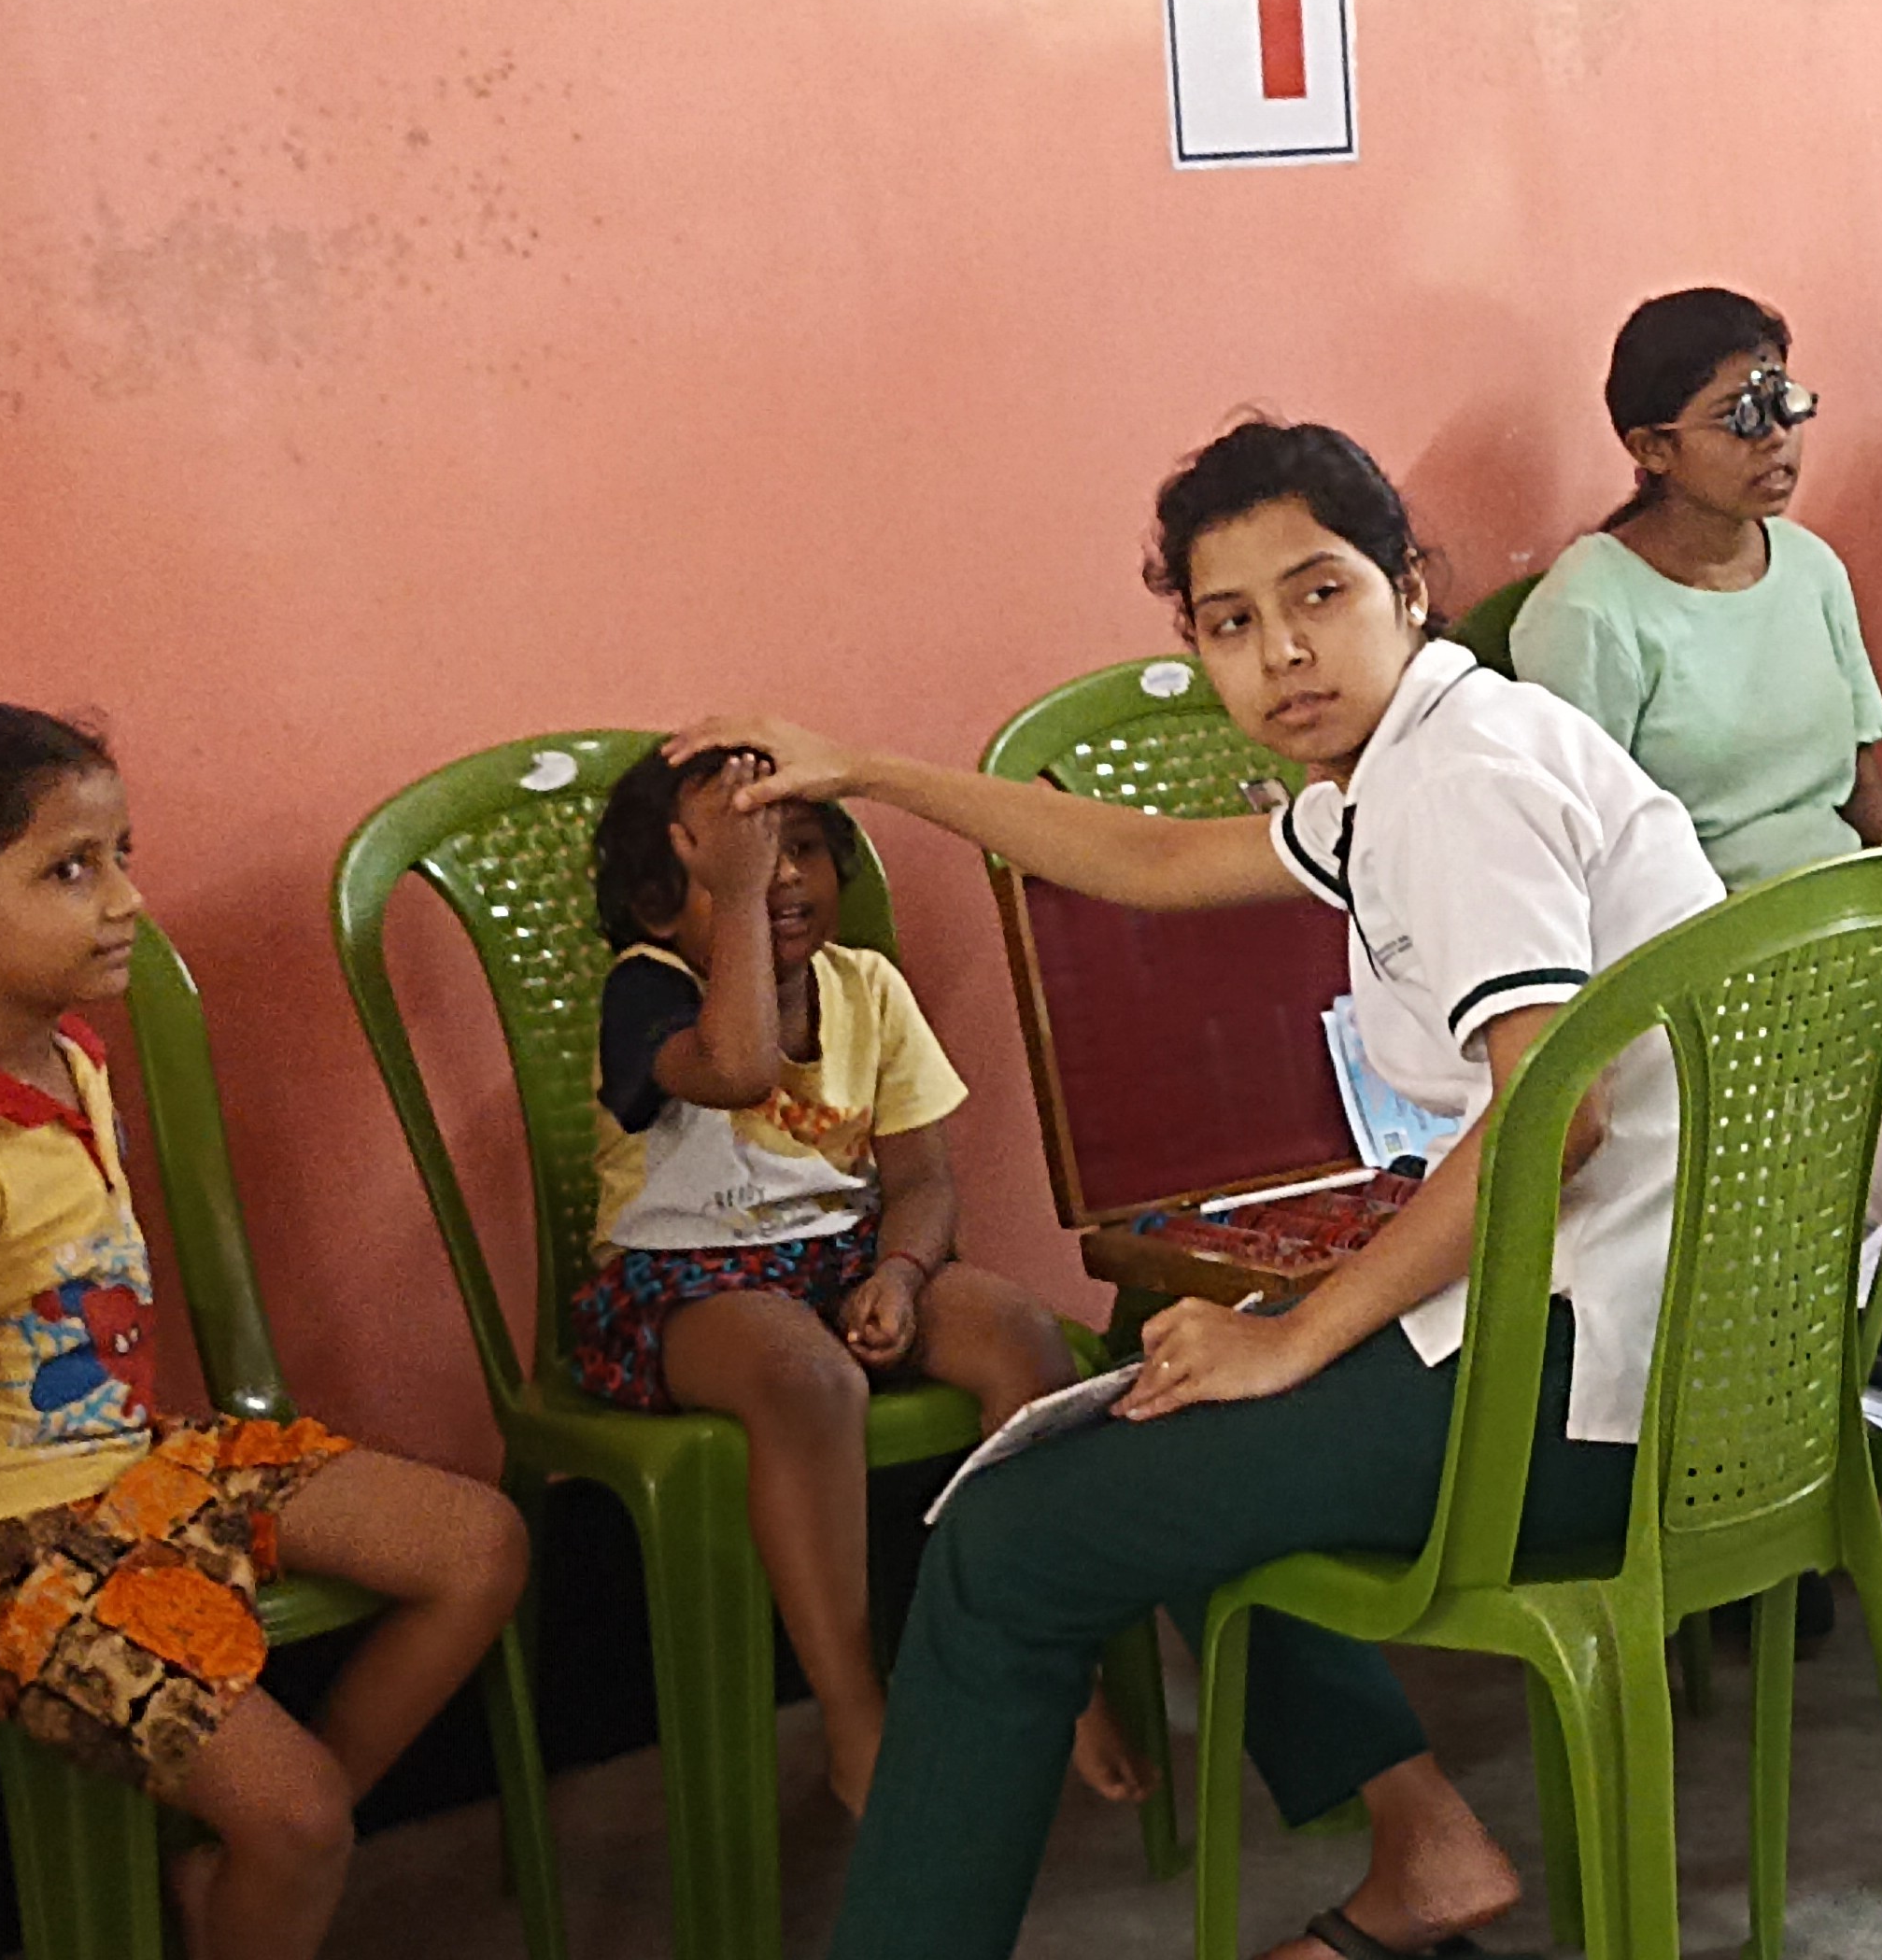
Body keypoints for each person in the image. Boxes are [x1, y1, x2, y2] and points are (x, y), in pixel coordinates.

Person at [667, 416, 1721, 1960]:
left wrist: (1294, 1335)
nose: (1281, 652)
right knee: (1158, 1401)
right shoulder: (1425, 756)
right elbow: (1156, 863)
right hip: (1673, 1351)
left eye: (1319, 594)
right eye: (1230, 623)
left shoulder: (1457, 785)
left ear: (1407, 586)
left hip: (1591, 1384)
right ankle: (1424, 1847)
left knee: (1011, 1539)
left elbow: (1549, 1121)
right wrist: (873, 773)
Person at [0, 703, 530, 1960]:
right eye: (69, 871)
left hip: (123, 1469)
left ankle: (251, 1860)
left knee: (480, 1544)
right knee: (298, 1819)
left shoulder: (69, 1057)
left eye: (121, 855)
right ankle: (286, 1844)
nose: (126, 899)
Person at [574, 747, 1138, 1814]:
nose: (780, 876)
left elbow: (921, 1181)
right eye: (737, 863)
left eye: (799, 847)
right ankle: (852, 1710)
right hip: (685, 1285)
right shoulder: (646, 991)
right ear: (654, 905)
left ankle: (1057, 1665)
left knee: (1026, 1338)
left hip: (847, 1253)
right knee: (810, 1380)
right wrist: (741, 905)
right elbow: (737, 1067)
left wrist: (901, 1274)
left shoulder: (869, 987)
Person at [1509, 288, 1882, 888]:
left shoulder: (1811, 566)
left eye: (1784, 404)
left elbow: (1862, 790)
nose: (1775, 437)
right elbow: (1576, 847)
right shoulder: (1587, 609)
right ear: (1652, 448)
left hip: (1848, 909)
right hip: (1701, 927)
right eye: (1740, 416)